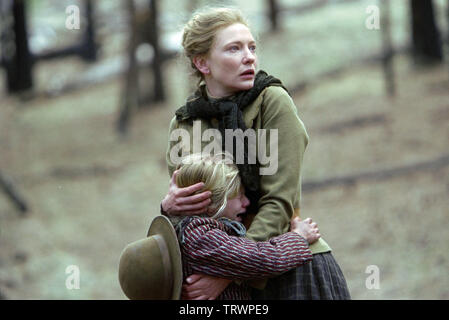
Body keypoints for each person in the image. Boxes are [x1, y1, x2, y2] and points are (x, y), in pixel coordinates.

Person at [161, 7, 350, 299]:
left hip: (290, 269)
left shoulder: (272, 102)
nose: (249, 57)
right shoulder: (184, 124)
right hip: (217, 282)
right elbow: (191, 219)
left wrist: (231, 275)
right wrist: (170, 208)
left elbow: (279, 202)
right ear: (202, 63)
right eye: (234, 49)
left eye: (251, 47)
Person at [170, 153, 320, 300]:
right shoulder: (202, 237)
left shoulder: (192, 231)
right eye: (239, 195)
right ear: (212, 203)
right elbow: (262, 259)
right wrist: (299, 236)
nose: (246, 202)